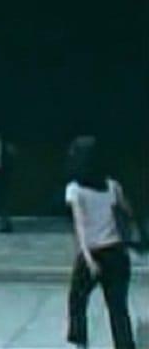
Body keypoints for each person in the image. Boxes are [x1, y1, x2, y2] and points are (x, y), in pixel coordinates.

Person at [64, 137, 136, 349]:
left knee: (77, 300)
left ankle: (80, 343)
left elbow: (80, 227)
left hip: (94, 252)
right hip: (117, 252)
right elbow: (128, 212)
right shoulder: (113, 186)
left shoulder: (74, 190)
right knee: (118, 307)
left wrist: (86, 258)